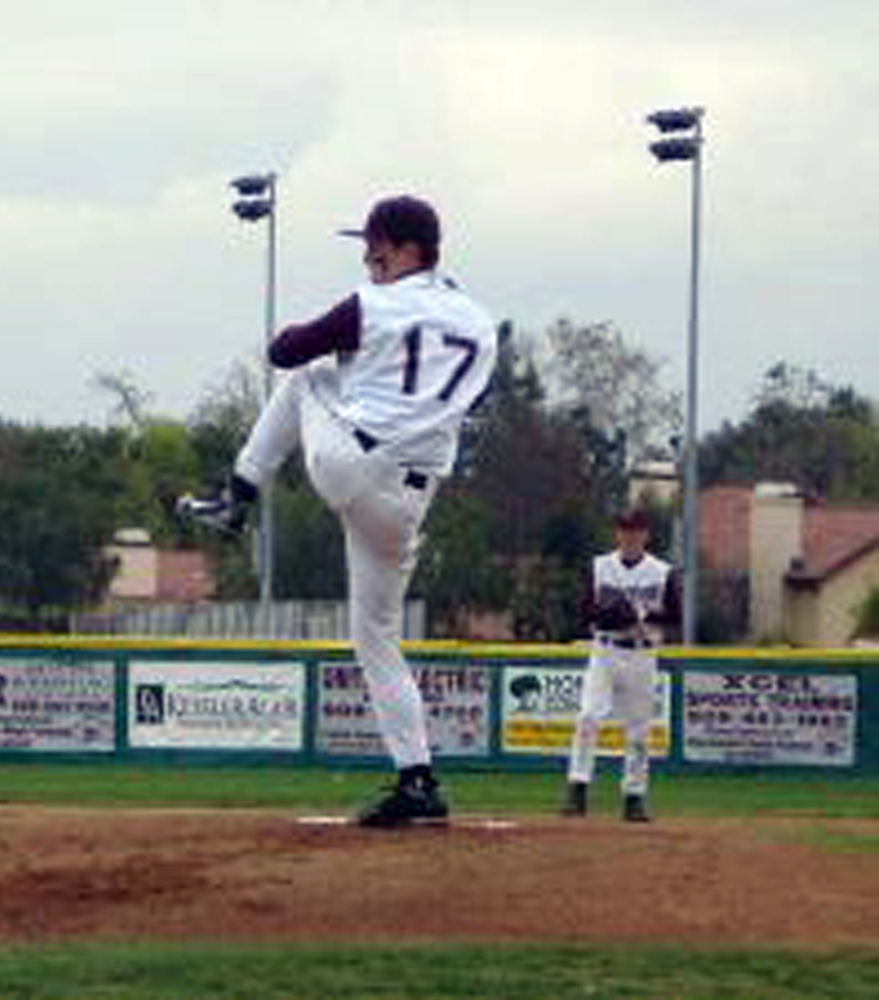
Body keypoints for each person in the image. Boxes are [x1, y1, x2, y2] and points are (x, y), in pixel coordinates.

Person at [177, 194, 498, 827]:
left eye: (376, 246)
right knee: (376, 637)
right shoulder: (480, 323)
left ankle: (236, 498)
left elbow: (285, 350)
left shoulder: (372, 302)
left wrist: (351, 346)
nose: (367, 257)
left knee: (306, 380)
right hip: (409, 501)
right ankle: (419, 781)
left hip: (353, 464)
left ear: (408, 249)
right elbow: (446, 392)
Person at [562, 509, 682, 823]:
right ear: (617, 534)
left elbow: (675, 617)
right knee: (588, 715)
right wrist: (611, 615)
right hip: (605, 651)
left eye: (636, 530)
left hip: (642, 654)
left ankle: (634, 796)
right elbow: (584, 611)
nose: (630, 536)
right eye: (625, 530)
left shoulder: (661, 571)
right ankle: (577, 788)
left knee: (639, 730)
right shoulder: (600, 566)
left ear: (646, 535)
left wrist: (641, 617)